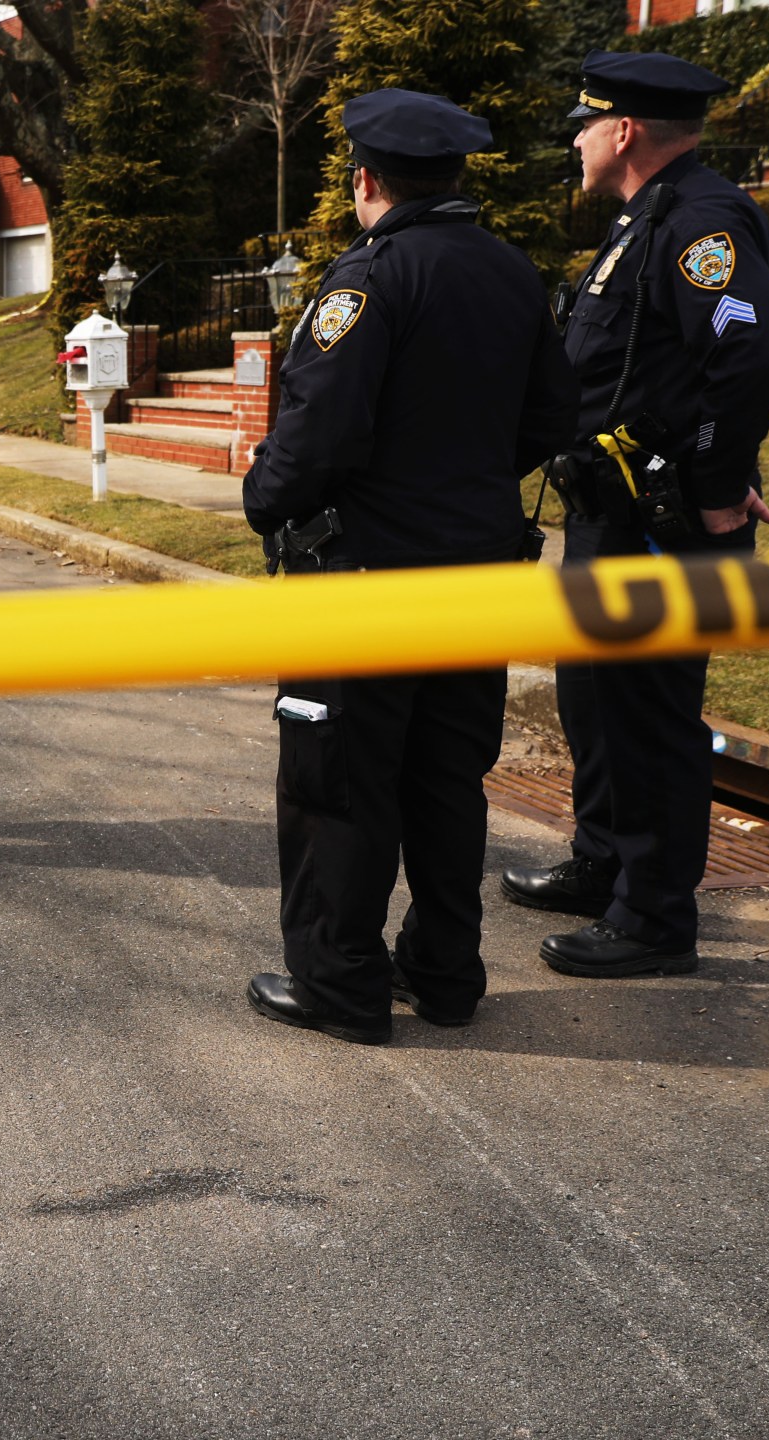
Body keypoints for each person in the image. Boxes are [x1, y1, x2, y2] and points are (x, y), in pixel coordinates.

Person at [241, 89, 578, 1045]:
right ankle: (442, 973)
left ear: (365, 181)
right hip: (475, 578)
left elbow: (317, 437)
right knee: (444, 776)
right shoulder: (513, 273)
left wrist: (263, 499)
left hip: (362, 577)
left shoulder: (368, 281)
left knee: (337, 777)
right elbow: (556, 416)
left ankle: (339, 984)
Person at [500, 52, 769, 979]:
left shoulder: (700, 222)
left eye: (584, 126)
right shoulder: (646, 220)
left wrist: (714, 487)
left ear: (623, 132)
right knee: (595, 703)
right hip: (611, 511)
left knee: (650, 715)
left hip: (662, 525)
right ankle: (604, 865)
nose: (576, 143)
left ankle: (655, 917)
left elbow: (751, 362)